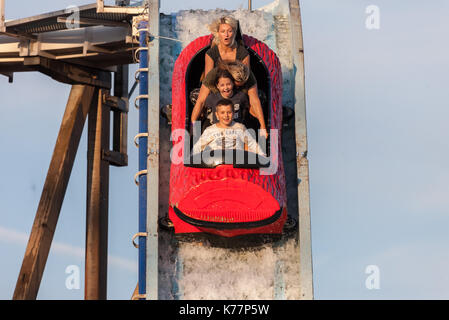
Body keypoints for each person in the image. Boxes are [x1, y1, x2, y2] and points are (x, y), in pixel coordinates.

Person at [190, 16, 267, 137]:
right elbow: (202, 96)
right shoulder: (212, 56)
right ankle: (204, 122)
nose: (227, 35)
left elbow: (252, 94)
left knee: (260, 98)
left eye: (230, 31)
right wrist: (192, 126)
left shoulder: (243, 54)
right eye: (223, 31)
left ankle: (255, 123)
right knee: (195, 97)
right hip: (217, 87)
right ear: (218, 34)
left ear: (234, 33)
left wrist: (263, 126)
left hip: (238, 89)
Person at [192, 99, 265, 157]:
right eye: (222, 113)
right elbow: (197, 148)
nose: (226, 115)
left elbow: (253, 144)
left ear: (233, 114)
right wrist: (191, 160)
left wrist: (262, 156)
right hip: (216, 166)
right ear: (217, 115)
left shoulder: (240, 128)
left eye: (229, 112)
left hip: (236, 166)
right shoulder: (210, 130)